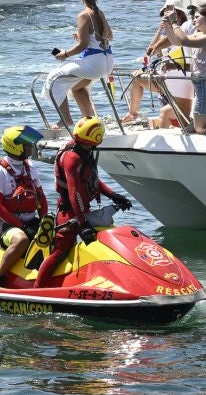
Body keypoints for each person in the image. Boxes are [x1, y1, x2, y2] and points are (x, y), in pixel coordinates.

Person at [33, 118, 133, 288]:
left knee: (106, 241)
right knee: (59, 252)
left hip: (82, 211)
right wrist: (83, 223)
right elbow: (75, 192)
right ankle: (37, 289)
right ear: (96, 137)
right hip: (70, 213)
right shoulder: (72, 158)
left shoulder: (83, 150)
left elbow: (90, 180)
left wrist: (114, 196)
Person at [0, 125, 49, 288]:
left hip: (28, 221)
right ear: (16, 146)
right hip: (1, 222)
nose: (31, 147)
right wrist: (21, 226)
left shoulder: (30, 166)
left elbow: (41, 198)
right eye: (27, 144)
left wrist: (44, 222)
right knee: (21, 240)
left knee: (57, 236)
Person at [44, 0, 115, 128]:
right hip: (107, 62)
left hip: (94, 64)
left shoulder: (84, 15)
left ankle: (66, 120)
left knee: (53, 79)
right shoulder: (100, 13)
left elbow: (82, 45)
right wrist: (85, 38)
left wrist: (65, 54)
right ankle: (90, 123)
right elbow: (109, 37)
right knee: (77, 88)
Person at [166, 3, 206, 134]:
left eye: (197, 17)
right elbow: (176, 42)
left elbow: (185, 41)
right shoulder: (198, 35)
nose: (193, 19)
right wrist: (167, 23)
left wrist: (174, 22)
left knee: (200, 128)